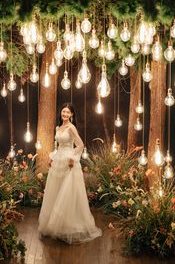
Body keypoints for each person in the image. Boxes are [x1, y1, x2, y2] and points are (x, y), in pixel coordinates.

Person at [38, 103, 102, 244]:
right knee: (56, 192)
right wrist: (51, 158)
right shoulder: (58, 127)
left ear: (71, 114)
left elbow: (80, 145)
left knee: (67, 194)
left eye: (68, 112)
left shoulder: (71, 128)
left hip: (68, 162)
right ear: (61, 113)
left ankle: (67, 226)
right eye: (63, 111)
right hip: (58, 161)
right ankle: (55, 225)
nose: (65, 114)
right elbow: (57, 146)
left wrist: (72, 158)